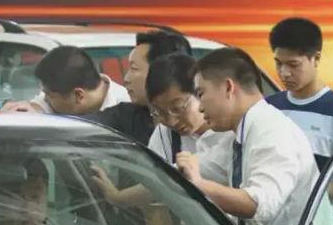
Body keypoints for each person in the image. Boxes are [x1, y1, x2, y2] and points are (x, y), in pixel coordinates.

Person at [175, 47, 332, 225]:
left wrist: (199, 185)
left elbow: (258, 205)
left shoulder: (273, 131)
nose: (200, 108)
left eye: (201, 94)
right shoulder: (238, 134)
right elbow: (190, 172)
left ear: (228, 87)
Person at [91, 53, 233, 206]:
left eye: (177, 108)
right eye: (160, 112)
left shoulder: (230, 132)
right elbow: (158, 184)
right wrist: (117, 198)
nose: (171, 121)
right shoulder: (165, 135)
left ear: (199, 94)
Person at [266, 17, 333, 203]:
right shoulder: (268, 108)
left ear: (316, 59)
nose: (284, 73)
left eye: (293, 65)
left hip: (314, 220)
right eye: (278, 63)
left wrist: (308, 194)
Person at [3, 46, 129, 115]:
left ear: (78, 95)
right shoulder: (60, 91)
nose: (45, 99)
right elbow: (39, 107)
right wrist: (30, 111)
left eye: (49, 95)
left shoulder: (127, 110)